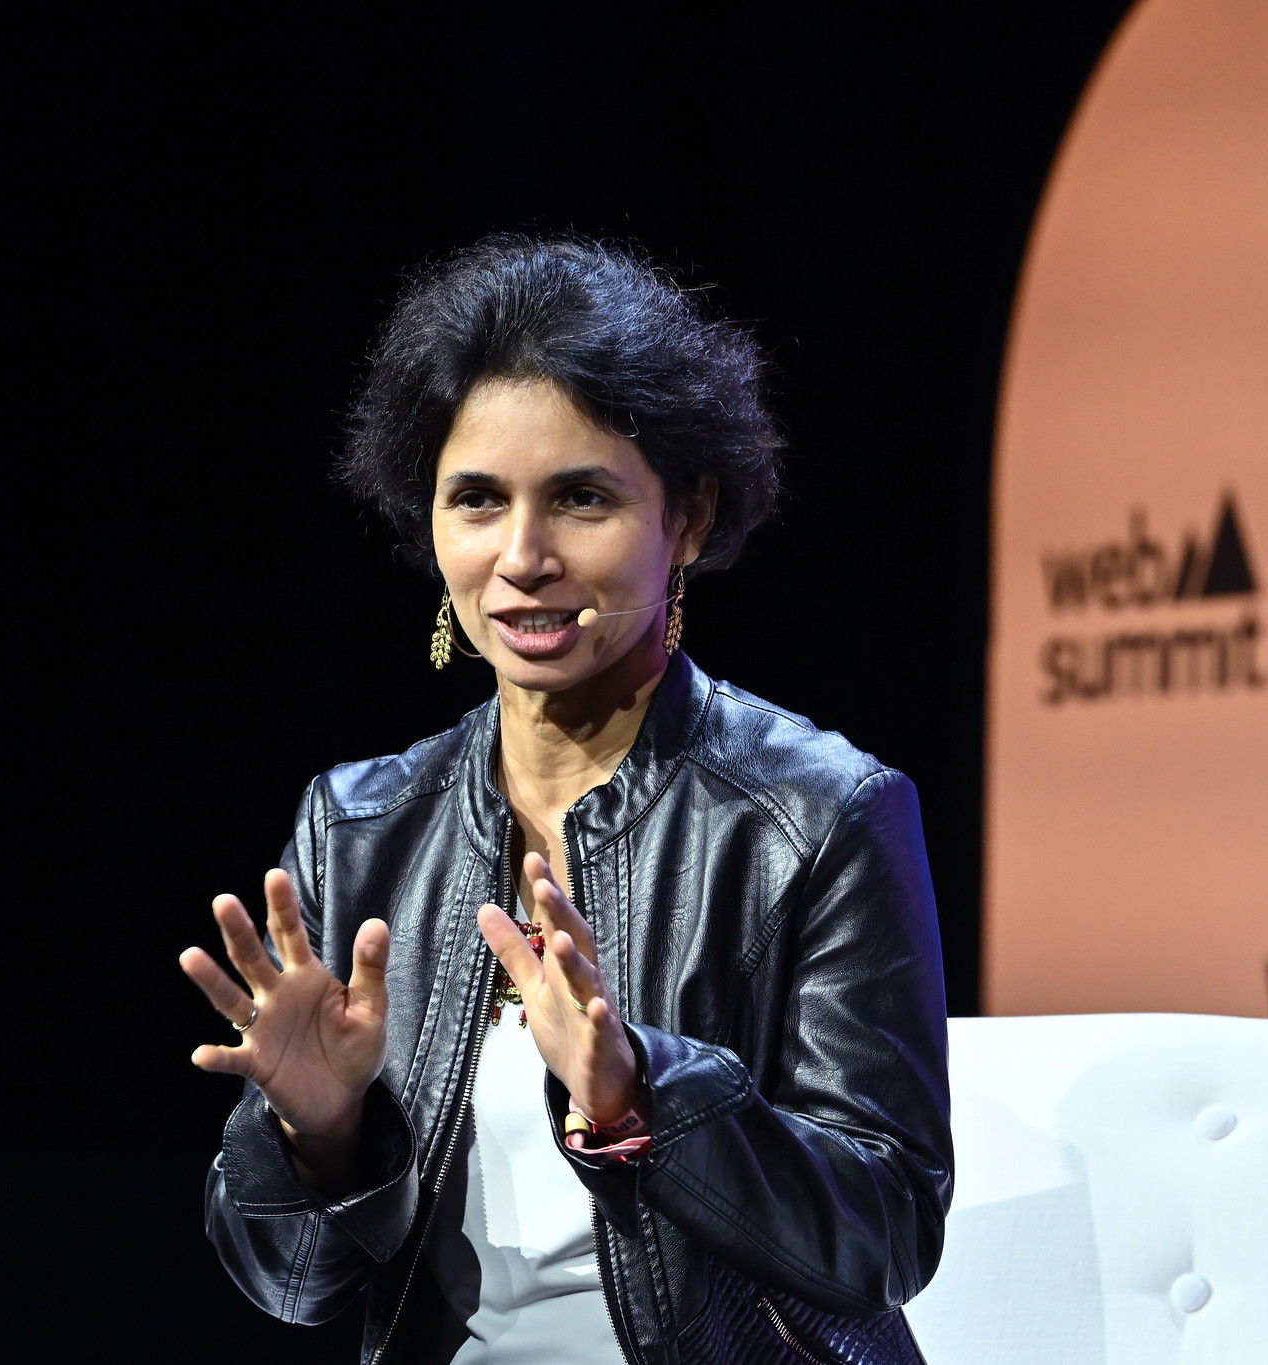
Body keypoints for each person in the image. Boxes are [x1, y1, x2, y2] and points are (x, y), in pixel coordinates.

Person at [179, 234, 952, 1364]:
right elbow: (294, 1292)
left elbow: (882, 1237)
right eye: (478, 501)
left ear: (685, 519)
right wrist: (317, 1132)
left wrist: (645, 1101)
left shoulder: (817, 816)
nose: (522, 555)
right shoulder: (359, 826)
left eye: (581, 499)